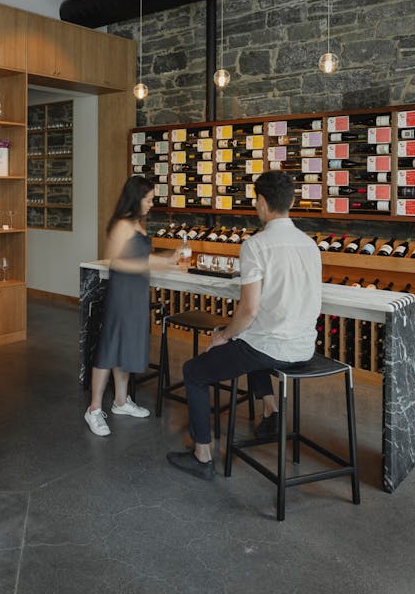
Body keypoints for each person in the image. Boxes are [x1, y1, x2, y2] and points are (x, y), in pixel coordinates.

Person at [166, 170, 322, 479]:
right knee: (249, 339)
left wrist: (223, 334)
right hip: (304, 347)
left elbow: (249, 309)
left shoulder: (257, 245)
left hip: (271, 349)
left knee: (194, 372)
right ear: (291, 202)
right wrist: (234, 332)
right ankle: (270, 410)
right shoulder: (310, 245)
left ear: (262, 202)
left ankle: (202, 455)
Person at [85, 175, 173, 437]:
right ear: (136, 199)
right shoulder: (122, 225)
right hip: (122, 294)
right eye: (148, 199)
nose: (151, 204)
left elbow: (140, 257)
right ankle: (93, 409)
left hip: (137, 294)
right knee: (110, 347)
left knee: (125, 345)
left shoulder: (137, 223)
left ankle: (121, 401)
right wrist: (153, 263)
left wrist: (165, 260)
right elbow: (115, 263)